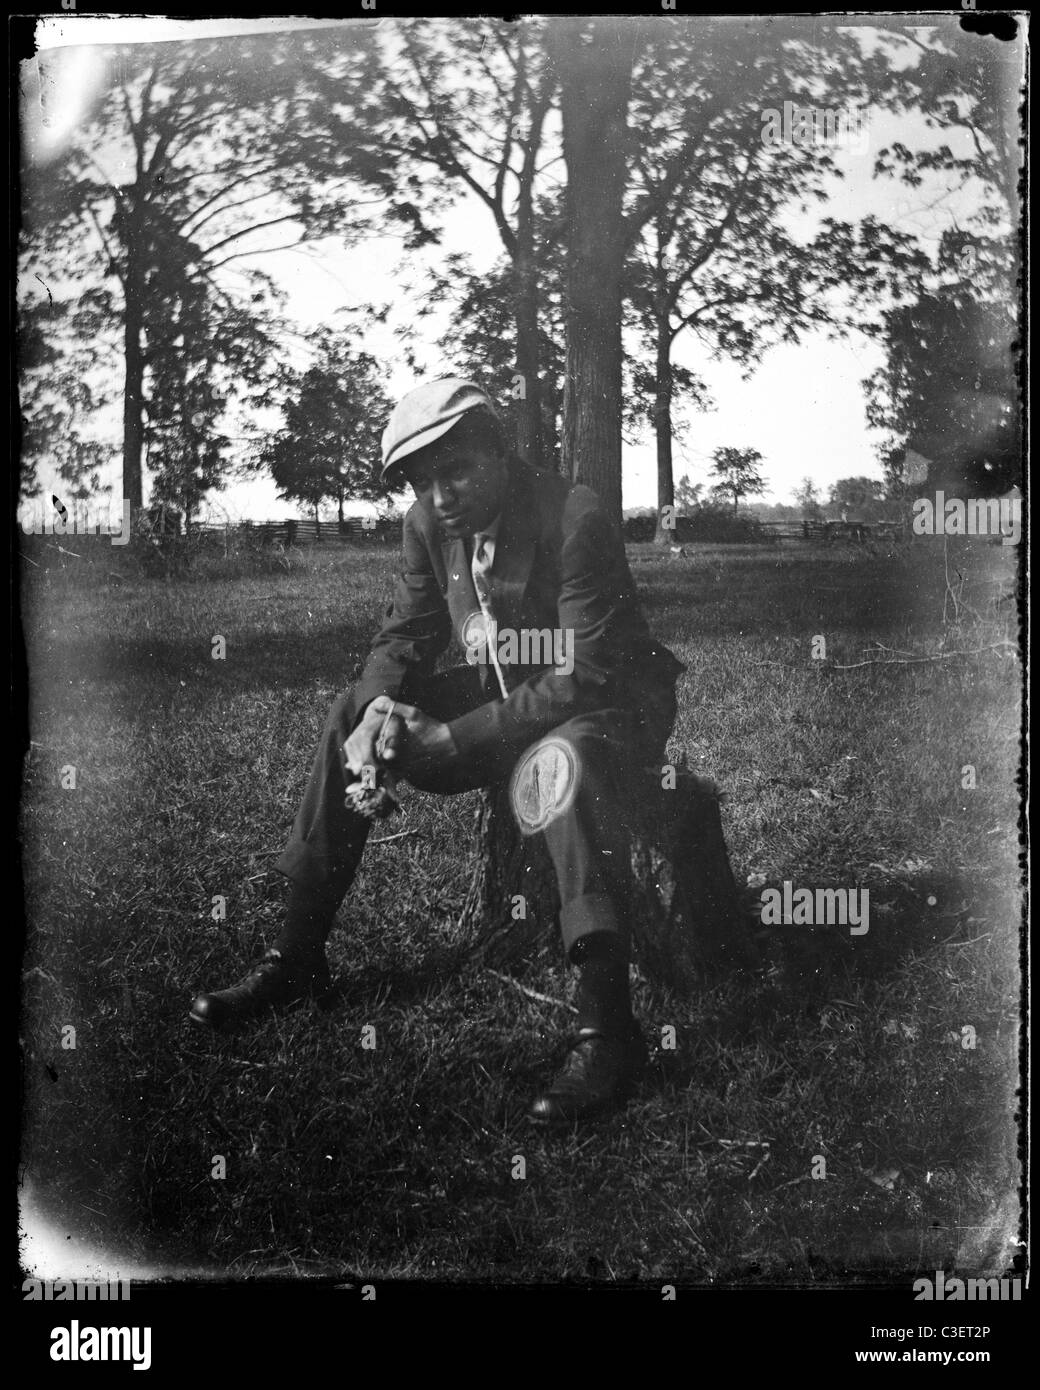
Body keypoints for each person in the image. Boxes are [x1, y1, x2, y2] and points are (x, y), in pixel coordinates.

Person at [190, 379, 684, 1125]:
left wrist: (456, 736)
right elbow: (408, 634)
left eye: (455, 470)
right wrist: (380, 710)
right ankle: (296, 960)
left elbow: (583, 675)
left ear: (498, 450)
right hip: (505, 694)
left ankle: (608, 1029)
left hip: (610, 709)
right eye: (420, 481)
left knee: (563, 754)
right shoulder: (426, 524)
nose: (438, 495)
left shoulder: (574, 514)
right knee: (349, 713)